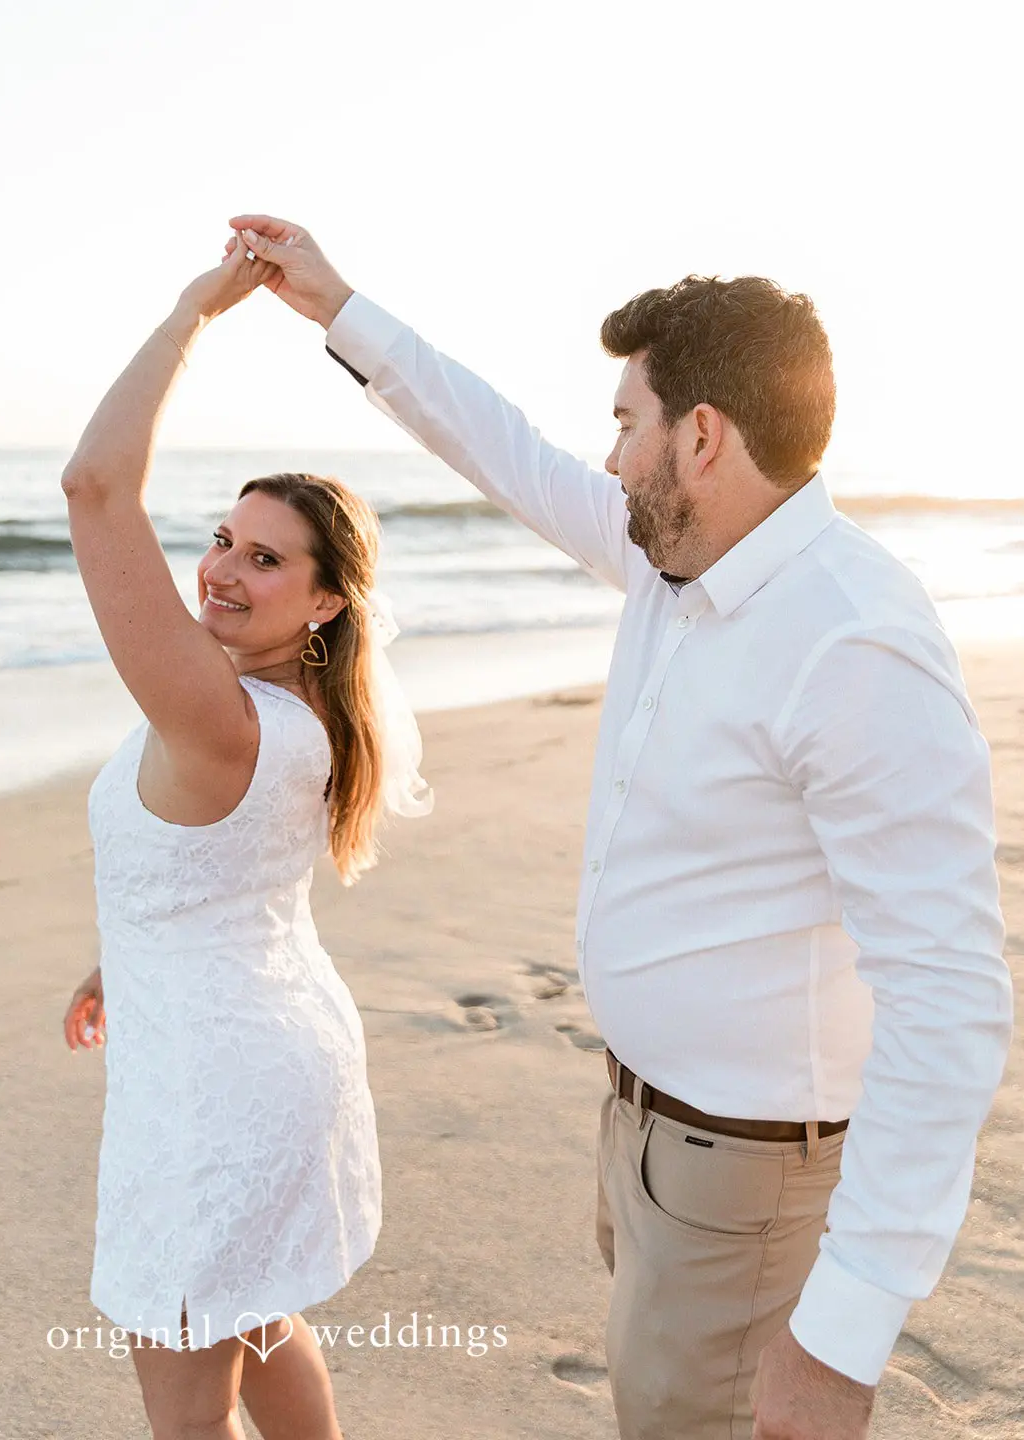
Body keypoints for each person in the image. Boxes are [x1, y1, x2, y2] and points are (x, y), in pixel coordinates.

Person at [224, 213, 1013, 1439]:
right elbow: (501, 448)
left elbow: (950, 1001)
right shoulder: (670, 560)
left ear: (699, 437)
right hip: (643, 1133)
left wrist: (844, 1333)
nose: (604, 456)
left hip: (748, 1180)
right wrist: (337, 306)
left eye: (625, 422)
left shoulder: (853, 640)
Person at [60, 240, 431, 1440]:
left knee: (187, 1401)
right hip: (261, 1051)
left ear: (324, 601)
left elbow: (93, 488)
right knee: (262, 1329)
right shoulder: (300, 716)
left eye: (264, 559)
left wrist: (187, 312)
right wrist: (132, 948)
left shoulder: (217, 718)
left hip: (213, 1099)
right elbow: (220, 876)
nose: (220, 570)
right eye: (222, 537)